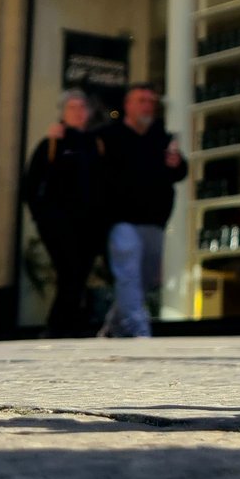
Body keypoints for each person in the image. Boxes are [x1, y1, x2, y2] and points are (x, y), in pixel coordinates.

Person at [98, 83, 187, 338]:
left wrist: (177, 163)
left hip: (155, 221)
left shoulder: (162, 138)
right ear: (128, 105)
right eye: (141, 100)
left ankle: (113, 327)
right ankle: (139, 332)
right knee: (128, 274)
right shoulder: (109, 136)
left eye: (150, 101)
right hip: (121, 220)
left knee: (144, 279)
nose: (147, 106)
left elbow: (180, 172)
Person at [22, 89, 105, 337]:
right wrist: (42, 216)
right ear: (63, 113)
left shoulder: (95, 144)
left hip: (88, 224)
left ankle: (66, 325)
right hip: (57, 222)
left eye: (82, 107)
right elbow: (30, 185)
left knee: (78, 273)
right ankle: (59, 326)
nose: (78, 112)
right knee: (68, 268)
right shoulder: (52, 143)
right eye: (72, 108)